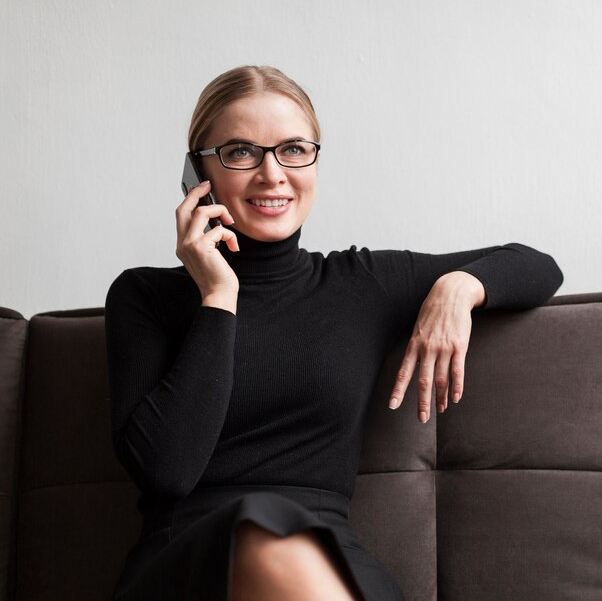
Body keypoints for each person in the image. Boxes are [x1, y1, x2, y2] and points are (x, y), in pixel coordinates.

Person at [105, 65, 563, 601]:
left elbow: (537, 265)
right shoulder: (143, 297)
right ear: (196, 172)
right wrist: (218, 298)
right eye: (240, 151)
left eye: (294, 149)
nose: (272, 174)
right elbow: (167, 472)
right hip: (185, 562)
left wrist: (458, 287)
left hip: (326, 561)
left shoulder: (360, 283)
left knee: (285, 544)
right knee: (258, 522)